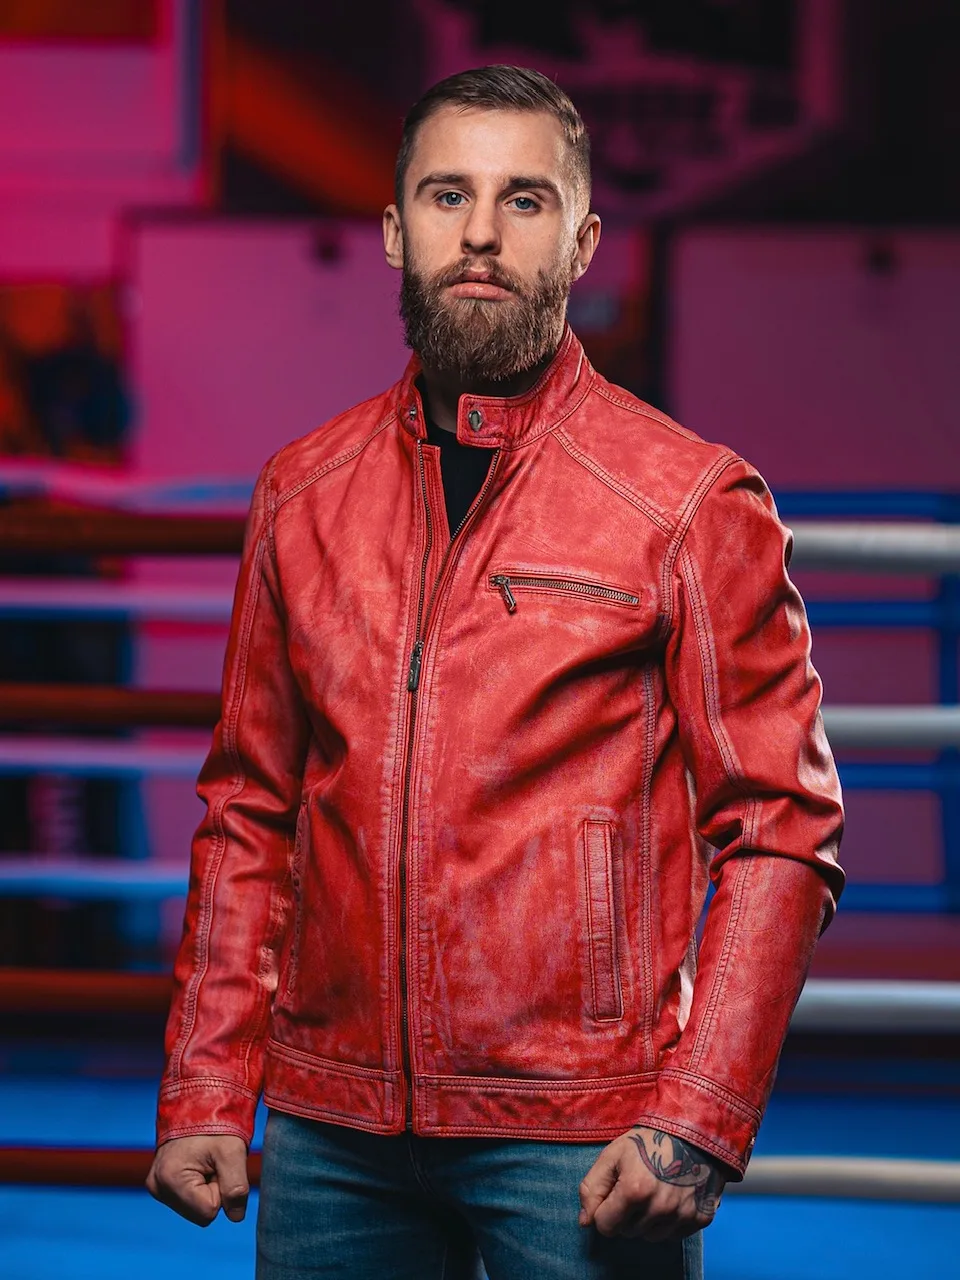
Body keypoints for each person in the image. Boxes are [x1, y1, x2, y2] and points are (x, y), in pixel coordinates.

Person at [147, 65, 844, 1279]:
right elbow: (251, 806)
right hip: (331, 1126)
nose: (479, 232)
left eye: (524, 200)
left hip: (579, 1129)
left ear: (582, 243)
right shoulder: (302, 494)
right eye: (446, 195)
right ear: (394, 230)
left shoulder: (688, 500)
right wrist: (209, 1079)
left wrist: (699, 1114)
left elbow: (782, 821)